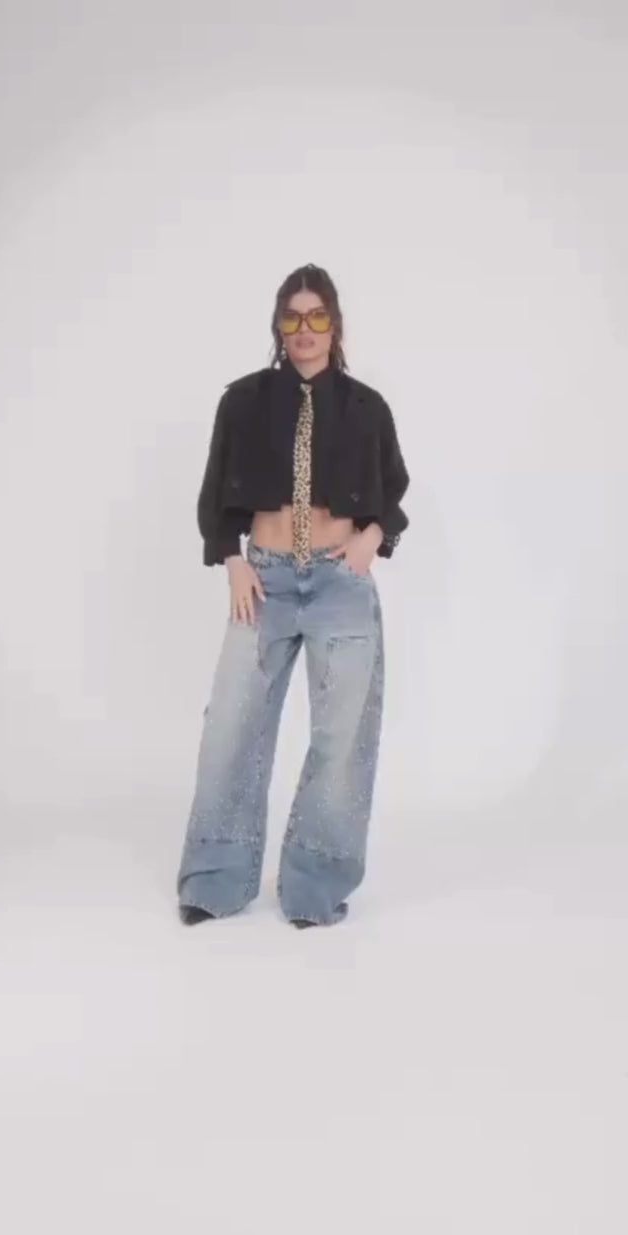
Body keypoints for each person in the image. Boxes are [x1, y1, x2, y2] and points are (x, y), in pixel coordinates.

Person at [176, 263, 409, 928]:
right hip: (265, 581)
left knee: (343, 737)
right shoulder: (243, 401)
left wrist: (371, 539)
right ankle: (215, 880)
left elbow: (394, 488)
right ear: (278, 326)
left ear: (335, 325)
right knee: (231, 727)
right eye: (292, 316)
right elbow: (215, 488)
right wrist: (232, 560)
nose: (304, 329)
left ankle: (315, 887)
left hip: (341, 584)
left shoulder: (367, 407)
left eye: (317, 316)